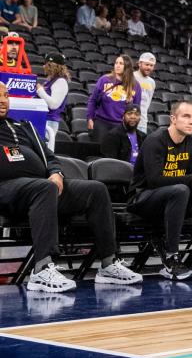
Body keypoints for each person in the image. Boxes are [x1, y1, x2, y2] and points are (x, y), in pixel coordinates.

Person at [0, 82, 141, 291]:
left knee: (96, 190)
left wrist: (56, 172)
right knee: (43, 188)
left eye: (5, 95)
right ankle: (41, 269)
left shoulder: (24, 126)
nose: (3, 100)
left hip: (40, 188)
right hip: (7, 189)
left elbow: (50, 157)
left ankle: (108, 264)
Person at [128, 101, 192, 281]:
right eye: (186, 116)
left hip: (176, 198)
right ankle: (171, 259)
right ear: (173, 119)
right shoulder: (155, 140)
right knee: (181, 189)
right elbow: (154, 180)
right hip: (144, 199)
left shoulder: (191, 142)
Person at [86, 55, 142, 143]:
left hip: (121, 125)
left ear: (127, 67)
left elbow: (136, 108)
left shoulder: (135, 85)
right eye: (116, 63)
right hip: (101, 123)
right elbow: (92, 100)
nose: (117, 65)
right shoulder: (104, 80)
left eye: (121, 63)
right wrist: (90, 118)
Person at [35, 53, 70, 151]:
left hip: (49, 122)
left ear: (51, 66)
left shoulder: (61, 82)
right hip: (45, 120)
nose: (43, 66)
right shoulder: (52, 80)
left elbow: (54, 105)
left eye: (45, 64)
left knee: (44, 151)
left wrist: (40, 90)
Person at [133, 53, 157, 135]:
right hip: (128, 120)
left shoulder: (152, 82)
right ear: (140, 64)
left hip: (142, 122)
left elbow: (148, 103)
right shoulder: (131, 77)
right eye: (147, 64)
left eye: (151, 65)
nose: (149, 67)